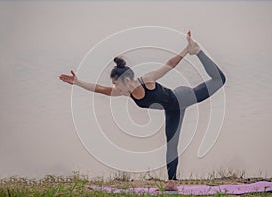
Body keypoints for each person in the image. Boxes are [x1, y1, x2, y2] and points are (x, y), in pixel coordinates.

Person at [59, 31, 226, 191]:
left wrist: (186, 50)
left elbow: (170, 64)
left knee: (220, 79)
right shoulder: (125, 91)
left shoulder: (147, 80)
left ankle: (197, 51)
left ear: (126, 80)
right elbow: (101, 89)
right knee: (171, 142)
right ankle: (172, 182)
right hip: (172, 109)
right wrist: (78, 82)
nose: (115, 87)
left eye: (116, 83)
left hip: (182, 97)